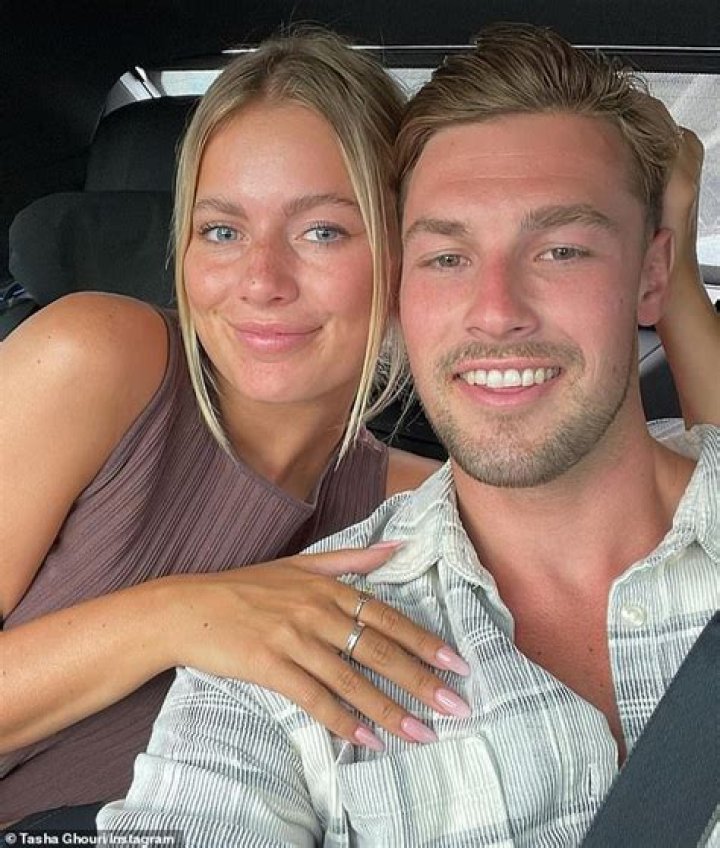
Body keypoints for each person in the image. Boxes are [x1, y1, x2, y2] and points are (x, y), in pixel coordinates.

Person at [97, 24, 719, 846]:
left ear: (651, 271)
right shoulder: (281, 659)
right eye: (447, 258)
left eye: (562, 250)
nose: (496, 312)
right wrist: (173, 615)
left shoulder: (372, 482)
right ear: (403, 289)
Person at [0, 31, 474, 829]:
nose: (261, 281)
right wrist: (179, 616)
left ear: (405, 249)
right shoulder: (96, 358)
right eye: (222, 230)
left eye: (322, 231)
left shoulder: (412, 508)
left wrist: (672, 291)